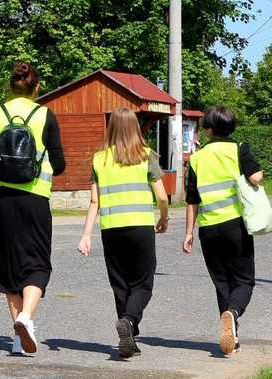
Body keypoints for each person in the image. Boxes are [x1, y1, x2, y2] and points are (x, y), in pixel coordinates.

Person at [0, 62, 66, 355]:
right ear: (36, 87)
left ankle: (17, 339)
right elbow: (61, 164)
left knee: (11, 266)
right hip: (34, 197)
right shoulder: (45, 115)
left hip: (0, 198)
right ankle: (26, 318)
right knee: (38, 264)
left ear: (10, 86)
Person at [78, 107, 169, 359]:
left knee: (120, 284)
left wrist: (86, 235)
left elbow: (94, 202)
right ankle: (128, 321)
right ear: (135, 127)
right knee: (143, 283)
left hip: (111, 229)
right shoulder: (146, 155)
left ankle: (128, 335)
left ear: (112, 127)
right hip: (140, 226)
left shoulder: (99, 159)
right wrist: (164, 216)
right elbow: (161, 195)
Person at [182, 106, 263, 355]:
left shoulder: (197, 158)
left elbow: (192, 200)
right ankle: (233, 314)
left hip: (208, 229)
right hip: (236, 225)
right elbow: (257, 177)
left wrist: (188, 233)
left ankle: (231, 338)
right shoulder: (239, 149)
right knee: (244, 280)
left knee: (222, 283)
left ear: (208, 130)